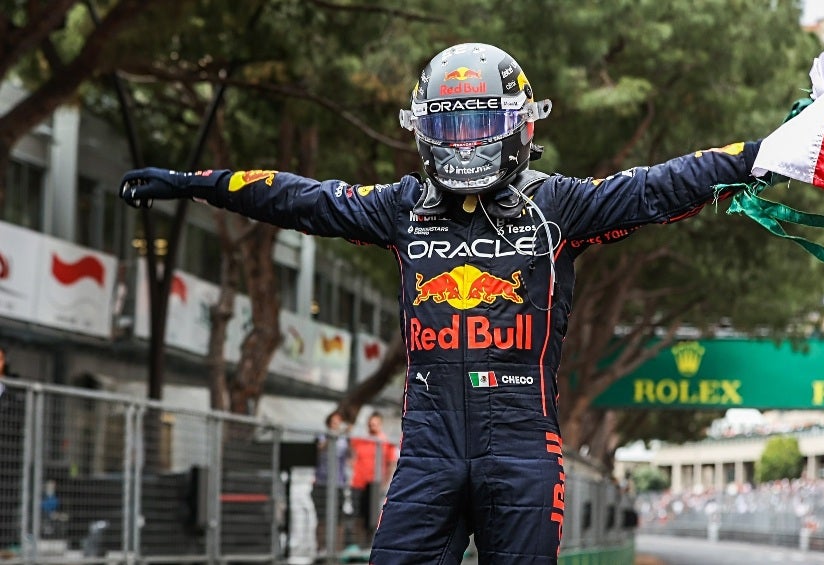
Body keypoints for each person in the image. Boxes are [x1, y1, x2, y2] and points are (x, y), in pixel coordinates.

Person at [119, 42, 762, 564]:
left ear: (519, 125)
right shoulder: (402, 208)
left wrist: (760, 157)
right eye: (449, 125)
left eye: (479, 123)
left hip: (521, 448)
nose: (464, 142)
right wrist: (197, 182)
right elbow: (299, 197)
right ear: (423, 129)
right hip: (428, 449)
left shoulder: (560, 206)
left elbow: (663, 185)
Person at [348, 412, 395, 548]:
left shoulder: (385, 442)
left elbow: (390, 463)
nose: (372, 427)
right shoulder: (362, 440)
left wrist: (385, 483)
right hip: (358, 483)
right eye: (370, 424)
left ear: (380, 425)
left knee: (373, 517)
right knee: (358, 515)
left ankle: (370, 545)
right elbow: (350, 448)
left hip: (375, 484)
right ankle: (358, 545)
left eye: (375, 424)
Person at [314, 410, 353, 552]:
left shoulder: (344, 440)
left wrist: (347, 436)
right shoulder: (321, 437)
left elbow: (351, 456)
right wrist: (331, 437)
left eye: (337, 422)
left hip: (338, 484)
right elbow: (318, 450)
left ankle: (337, 551)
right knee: (321, 519)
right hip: (321, 483)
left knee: (339, 520)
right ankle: (321, 549)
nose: (335, 425)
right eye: (333, 422)